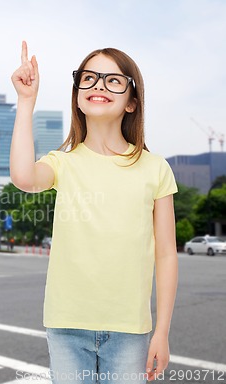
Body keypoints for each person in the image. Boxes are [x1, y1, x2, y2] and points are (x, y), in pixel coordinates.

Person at [10, 41, 178, 383]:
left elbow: (166, 254)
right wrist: (26, 102)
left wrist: (162, 331)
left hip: (130, 328)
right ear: (77, 94)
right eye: (89, 78)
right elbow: (24, 177)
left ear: (132, 102)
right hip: (67, 325)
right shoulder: (63, 163)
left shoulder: (155, 168)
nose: (98, 84)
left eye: (113, 80)